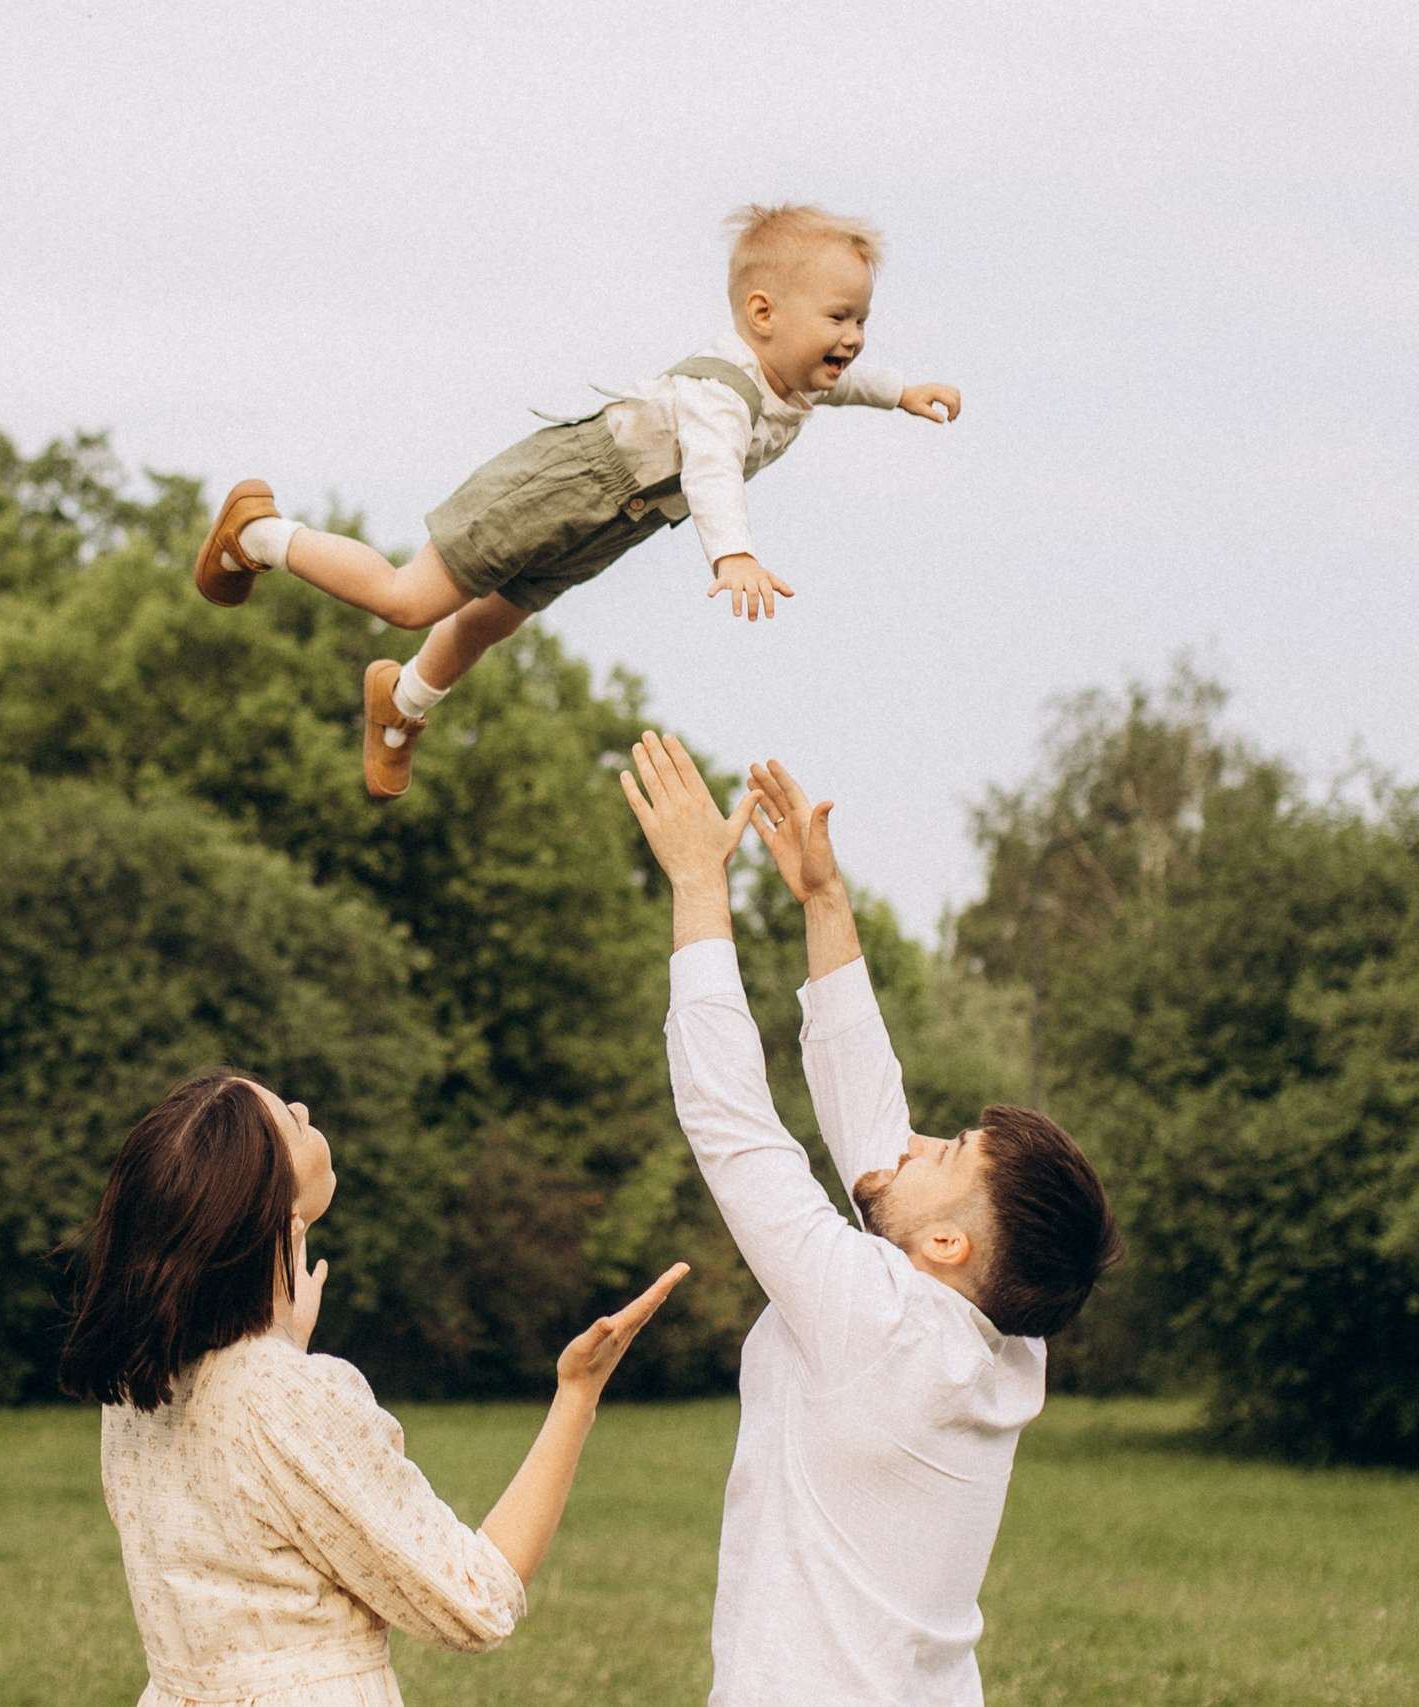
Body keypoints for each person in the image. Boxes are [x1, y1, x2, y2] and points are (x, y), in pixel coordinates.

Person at [619, 733, 1124, 1707]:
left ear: (948, 1247)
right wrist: (821, 902)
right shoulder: (1003, 1344)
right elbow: (874, 1137)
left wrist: (696, 887)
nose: (917, 1140)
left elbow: (735, 1128)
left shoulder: (882, 1325)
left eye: (948, 1154)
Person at [188, 203, 963, 799]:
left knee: (490, 619)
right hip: (567, 482)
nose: (854, 338)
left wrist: (901, 393)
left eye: (861, 319)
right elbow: (713, 472)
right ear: (763, 315)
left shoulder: (793, 380)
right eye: (839, 319)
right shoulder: (719, 396)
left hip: (612, 522)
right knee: (408, 598)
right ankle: (258, 533)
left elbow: (843, 384)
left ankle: (402, 699)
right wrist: (733, 554)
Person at [63, 1068, 688, 1707]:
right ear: (269, 1211)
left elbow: (250, 1533)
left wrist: (280, 1344)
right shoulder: (288, 1397)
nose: (306, 1109)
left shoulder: (138, 1388)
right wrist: (577, 1395)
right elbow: (475, 1600)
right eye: (293, 1122)